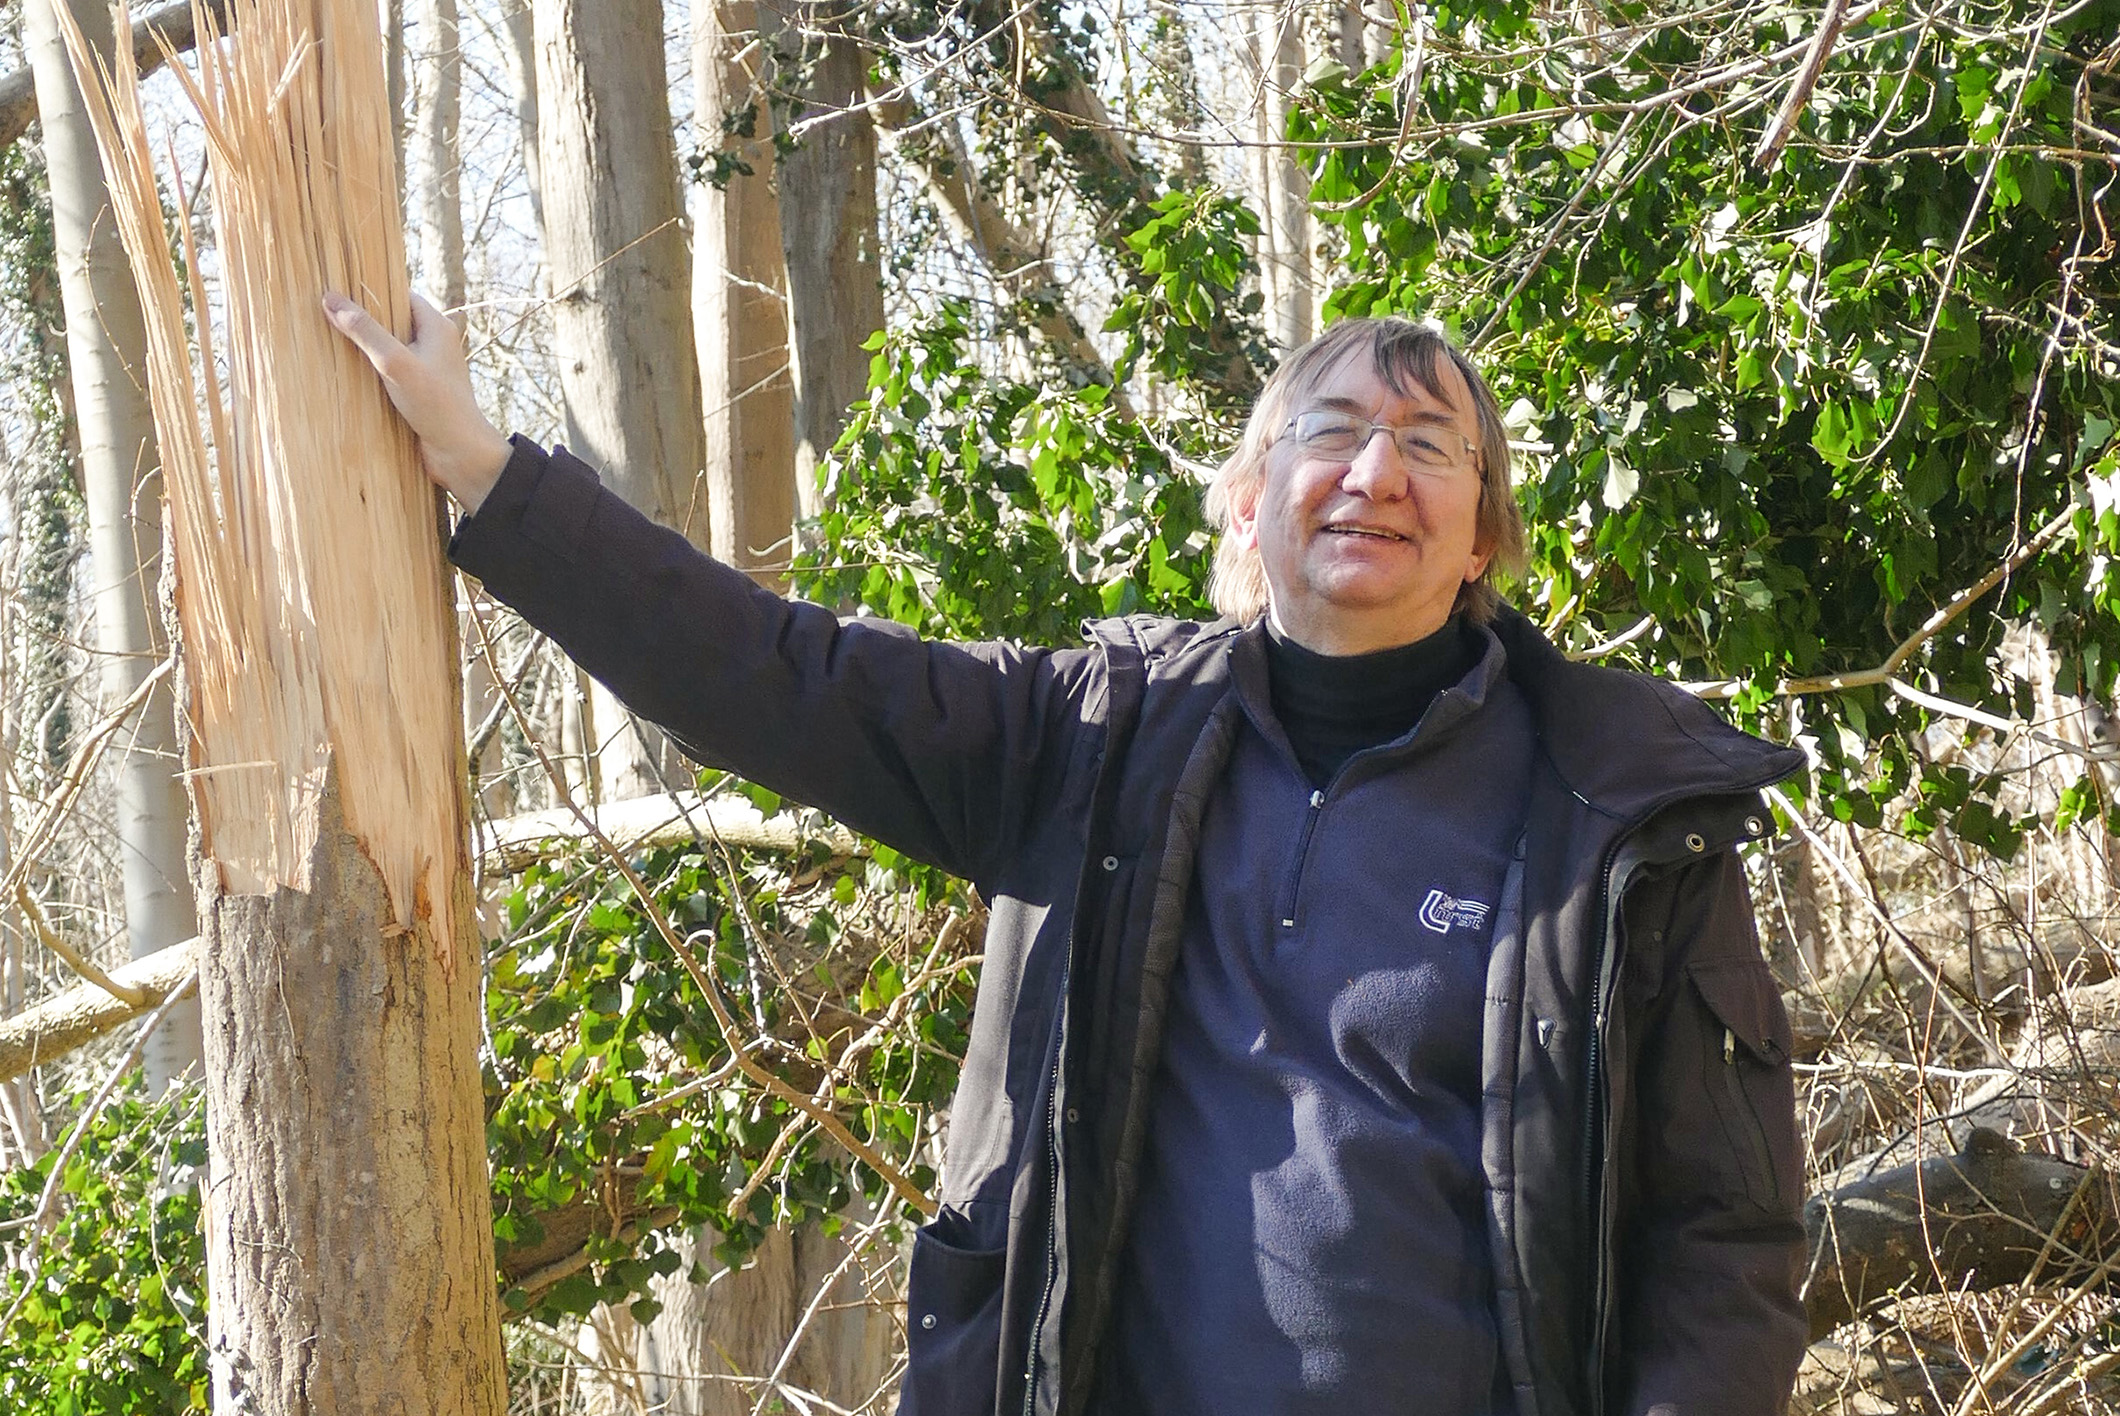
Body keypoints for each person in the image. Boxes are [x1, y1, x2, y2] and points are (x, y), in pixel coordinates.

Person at [330, 292, 1809, 1416]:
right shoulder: (1096, 740)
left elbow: (1720, 1234)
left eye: (1429, 446)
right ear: (1247, 500)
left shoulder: (1617, 819)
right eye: (1335, 432)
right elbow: (780, 674)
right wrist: (493, 474)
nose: (1376, 472)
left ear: (1484, 534)